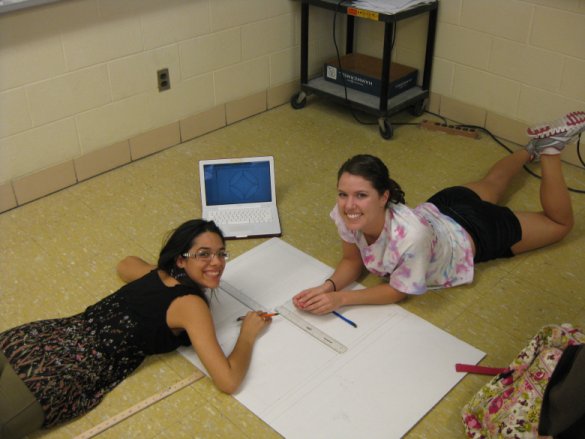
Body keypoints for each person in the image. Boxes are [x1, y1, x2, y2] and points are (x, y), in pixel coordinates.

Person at [0, 219, 272, 439]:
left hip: (29, 339)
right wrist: (248, 333)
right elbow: (228, 381)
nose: (217, 263)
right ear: (181, 259)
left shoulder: (156, 275)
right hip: (49, 379)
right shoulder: (191, 305)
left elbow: (125, 263)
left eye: (221, 254)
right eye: (204, 255)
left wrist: (168, 269)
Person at [293, 111, 585, 315]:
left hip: (476, 230)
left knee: (558, 224)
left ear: (384, 197)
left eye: (360, 195)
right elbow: (351, 258)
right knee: (492, 184)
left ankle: (550, 150)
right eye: (343, 194)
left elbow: (398, 291)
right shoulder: (347, 214)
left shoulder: (410, 236)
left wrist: (341, 299)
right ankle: (530, 148)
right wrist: (327, 287)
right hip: (443, 205)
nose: (349, 205)